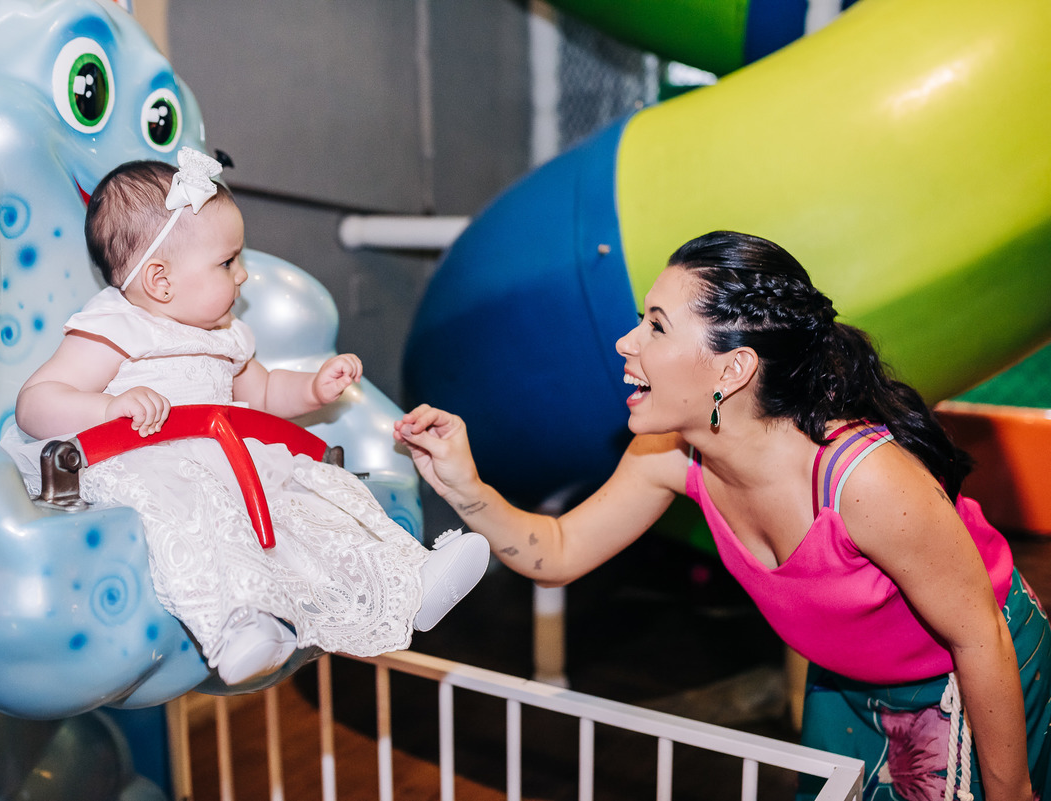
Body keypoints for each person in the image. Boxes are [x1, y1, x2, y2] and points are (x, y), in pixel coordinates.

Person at [395, 230, 1051, 801]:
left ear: (733, 369)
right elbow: (560, 551)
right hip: (844, 682)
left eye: (656, 325)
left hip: (965, 675)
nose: (625, 341)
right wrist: (466, 486)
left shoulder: (866, 481)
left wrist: (1011, 793)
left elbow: (979, 636)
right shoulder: (666, 452)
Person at [3, 148, 489, 686]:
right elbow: (36, 402)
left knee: (320, 499)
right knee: (196, 525)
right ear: (161, 281)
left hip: (233, 459)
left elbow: (262, 394)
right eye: (227, 262)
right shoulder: (116, 328)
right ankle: (239, 629)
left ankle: (409, 578)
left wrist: (312, 388)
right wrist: (108, 407)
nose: (244, 273)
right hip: (153, 462)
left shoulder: (226, 336)